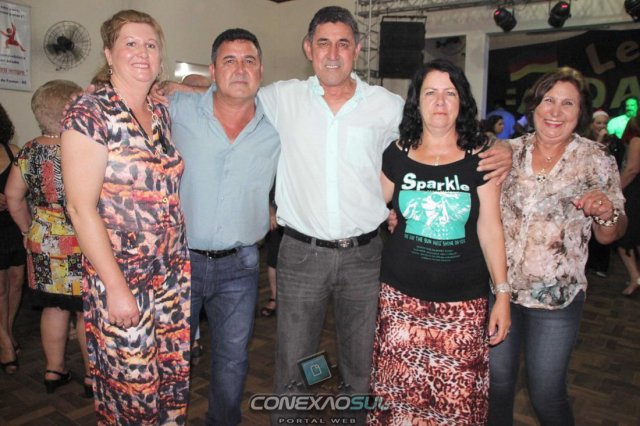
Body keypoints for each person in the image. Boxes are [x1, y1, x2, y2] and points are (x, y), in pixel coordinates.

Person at [256, 6, 512, 422]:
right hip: (302, 255)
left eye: (343, 43)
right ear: (308, 48)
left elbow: (439, 134)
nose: (333, 53)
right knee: (295, 368)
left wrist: (503, 148)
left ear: (358, 49)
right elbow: (228, 95)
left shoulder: (387, 106)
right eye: (323, 43)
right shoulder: (280, 98)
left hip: (365, 257)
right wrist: (174, 88)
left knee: (360, 370)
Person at [61, 10, 190, 424]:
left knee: (170, 381)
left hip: (171, 273)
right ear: (108, 53)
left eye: (150, 44)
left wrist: (176, 85)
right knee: (132, 391)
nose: (142, 52)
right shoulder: (89, 112)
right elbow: (80, 208)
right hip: (121, 276)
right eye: (130, 43)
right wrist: (116, 288)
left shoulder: (159, 111)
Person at [367, 59, 511, 424]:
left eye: (450, 93)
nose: (441, 102)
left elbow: (490, 228)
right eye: (431, 93)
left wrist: (502, 294)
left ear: (463, 101)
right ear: (417, 101)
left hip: (462, 306)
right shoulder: (397, 153)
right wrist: (388, 214)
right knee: (400, 400)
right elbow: (368, 206)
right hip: (400, 302)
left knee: (455, 405)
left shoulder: (482, 157)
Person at [489, 67, 627, 426]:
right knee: (497, 388)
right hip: (500, 291)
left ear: (580, 112)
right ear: (534, 106)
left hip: (557, 300)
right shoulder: (508, 152)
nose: (555, 111)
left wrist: (606, 212)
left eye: (568, 103)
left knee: (546, 394)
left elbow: (609, 235)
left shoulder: (596, 159)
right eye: (548, 100)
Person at [167, 28, 279, 425]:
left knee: (233, 360)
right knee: (171, 360)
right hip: (179, 262)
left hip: (241, 266)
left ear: (261, 70)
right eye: (229, 61)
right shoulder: (177, 108)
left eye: (249, 61)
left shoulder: (278, 123)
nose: (240, 69)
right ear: (212, 71)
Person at [5, 80, 92, 393]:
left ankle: (54, 370)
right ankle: (92, 376)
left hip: (43, 241)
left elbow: (13, 197)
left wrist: (27, 229)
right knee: (85, 309)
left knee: (53, 308)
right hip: (82, 240)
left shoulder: (28, 150)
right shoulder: (83, 148)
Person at [0, 102, 25, 375]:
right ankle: (5, 343)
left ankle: (6, 331)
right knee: (0, 288)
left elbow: (27, 189)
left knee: (17, 282)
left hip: (13, 226)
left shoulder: (14, 152)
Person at [616, 116, 640, 296]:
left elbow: (632, 169)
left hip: (634, 194)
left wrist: (615, 190)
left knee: (625, 239)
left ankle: (635, 278)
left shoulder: (636, 141)